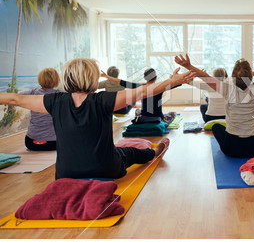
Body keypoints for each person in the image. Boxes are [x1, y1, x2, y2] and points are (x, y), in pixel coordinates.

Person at [0, 58, 194, 179]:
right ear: (92, 80)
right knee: (132, 153)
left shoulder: (54, 101)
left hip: (66, 174)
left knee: (119, 150)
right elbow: (142, 92)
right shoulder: (104, 100)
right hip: (107, 168)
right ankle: (156, 152)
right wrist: (172, 81)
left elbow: (15, 99)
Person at [101, 67, 180, 121]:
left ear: (144, 78)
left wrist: (107, 76)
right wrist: (173, 78)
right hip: (158, 117)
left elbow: (121, 82)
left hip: (144, 117)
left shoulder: (140, 86)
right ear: (156, 77)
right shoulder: (160, 87)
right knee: (173, 113)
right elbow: (178, 83)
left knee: (138, 110)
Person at [20, 68, 61, 151]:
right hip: (53, 143)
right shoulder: (61, 95)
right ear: (56, 80)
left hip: (31, 143)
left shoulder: (32, 93)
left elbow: (16, 97)